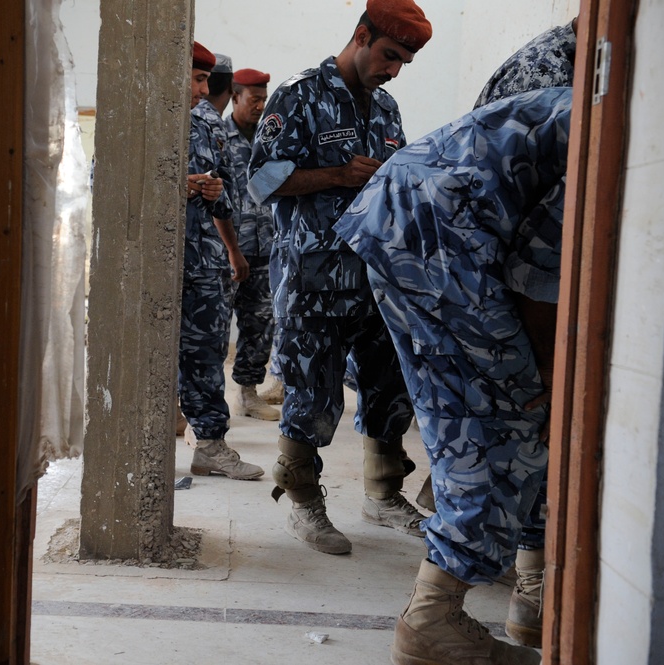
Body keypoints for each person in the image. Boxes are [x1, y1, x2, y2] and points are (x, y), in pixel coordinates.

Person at [334, 86, 573, 665]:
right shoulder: (627, 126)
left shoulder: (605, 100)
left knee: (471, 409)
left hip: (403, 216)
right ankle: (433, 620)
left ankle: (531, 598)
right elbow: (540, 268)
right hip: (442, 234)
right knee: (508, 416)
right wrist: (545, 373)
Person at [247, 0, 433, 555]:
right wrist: (336, 175)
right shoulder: (298, 95)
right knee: (311, 390)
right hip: (313, 276)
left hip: (376, 278)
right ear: (360, 35)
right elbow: (259, 182)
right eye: (388, 55)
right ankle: (303, 501)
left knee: (388, 384)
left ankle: (383, 492)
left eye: (403, 62)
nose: (393, 69)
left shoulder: (387, 109)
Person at [470, 18, 578, 649]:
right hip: (488, 267)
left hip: (499, 264)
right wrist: (537, 359)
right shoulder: (553, 76)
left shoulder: (567, 66)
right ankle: (517, 591)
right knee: (529, 413)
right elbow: (536, 247)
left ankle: (524, 586)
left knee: (524, 421)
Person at [180, 42, 263, 480]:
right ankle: (160, 432)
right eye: (196, 79)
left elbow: (226, 192)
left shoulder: (207, 124)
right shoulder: (142, 118)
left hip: (206, 260)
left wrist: (231, 247)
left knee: (207, 353)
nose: (203, 89)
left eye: (205, 81)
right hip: (158, 263)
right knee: (158, 355)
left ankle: (210, 445)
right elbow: (106, 181)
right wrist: (177, 184)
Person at [223, 68, 281, 422]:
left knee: (260, 323)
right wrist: (229, 248)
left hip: (266, 248)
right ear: (235, 98)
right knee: (215, 329)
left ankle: (247, 392)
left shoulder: (270, 138)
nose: (260, 106)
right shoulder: (218, 136)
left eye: (264, 99)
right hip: (227, 248)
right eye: (253, 99)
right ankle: (205, 399)